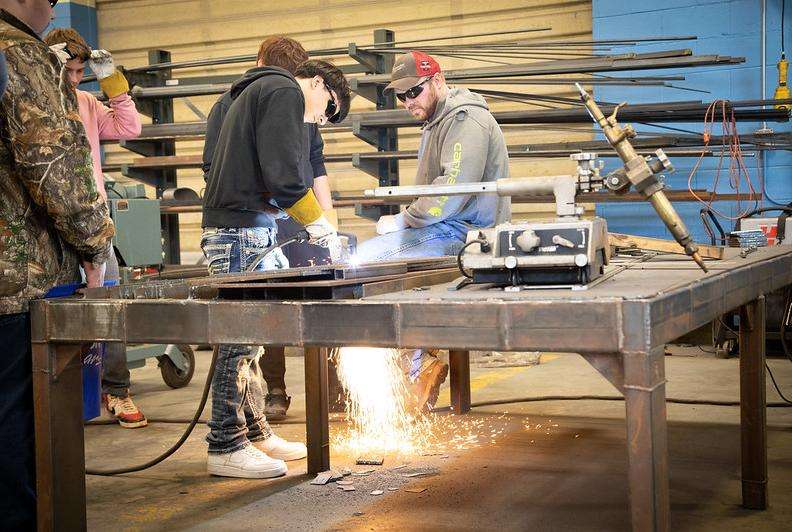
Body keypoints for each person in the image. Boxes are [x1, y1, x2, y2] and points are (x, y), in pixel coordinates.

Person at [201, 57, 350, 478]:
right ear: (318, 83)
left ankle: (255, 432)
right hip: (239, 232)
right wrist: (319, 224)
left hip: (252, 228)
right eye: (328, 108)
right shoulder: (284, 91)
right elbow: (284, 177)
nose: (320, 119)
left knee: (253, 342)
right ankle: (225, 444)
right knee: (238, 341)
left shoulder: (260, 92)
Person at [0, 0, 115, 527]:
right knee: (19, 425)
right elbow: (52, 166)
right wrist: (95, 245)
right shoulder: (21, 54)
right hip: (17, 283)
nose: (51, 10)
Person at [355, 51, 511, 411]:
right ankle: (416, 359)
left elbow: (451, 190)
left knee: (365, 262)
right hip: (449, 226)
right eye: (401, 95)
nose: (408, 101)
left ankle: (416, 364)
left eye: (415, 91)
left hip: (466, 234)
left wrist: (404, 220)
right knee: (374, 264)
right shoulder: (438, 119)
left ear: (438, 81)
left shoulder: (466, 119)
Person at [44, 27, 146, 429]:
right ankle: (58, 393)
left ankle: (116, 390)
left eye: (79, 72)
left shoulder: (87, 102)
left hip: (94, 220)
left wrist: (113, 83)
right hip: (50, 225)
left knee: (108, 304)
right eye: (66, 70)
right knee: (54, 308)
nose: (74, 79)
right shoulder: (38, 102)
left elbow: (129, 128)